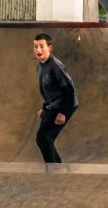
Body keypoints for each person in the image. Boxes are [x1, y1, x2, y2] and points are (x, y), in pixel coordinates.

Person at [32, 33, 78, 163]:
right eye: (35, 46)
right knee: (45, 138)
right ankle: (57, 169)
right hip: (53, 105)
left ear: (50, 48)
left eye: (42, 46)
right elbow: (50, 91)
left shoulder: (56, 66)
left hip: (65, 104)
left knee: (43, 137)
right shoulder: (40, 65)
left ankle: (53, 170)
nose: (38, 50)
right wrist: (45, 108)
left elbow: (69, 90)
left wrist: (63, 113)